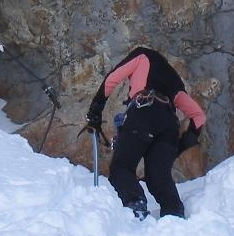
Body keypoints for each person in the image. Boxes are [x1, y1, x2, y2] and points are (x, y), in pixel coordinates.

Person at [85, 46, 206, 219]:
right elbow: (198, 117)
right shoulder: (174, 80)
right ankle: (174, 215)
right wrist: (178, 147)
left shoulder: (143, 56)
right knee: (159, 177)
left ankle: (136, 206)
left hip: (143, 112)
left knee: (122, 167)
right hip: (169, 125)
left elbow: (112, 79)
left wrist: (95, 111)